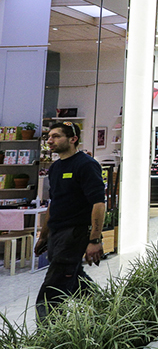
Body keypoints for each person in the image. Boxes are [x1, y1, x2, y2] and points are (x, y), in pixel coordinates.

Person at [34, 122, 105, 320]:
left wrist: (94, 240)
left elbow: (98, 204)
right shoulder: (55, 168)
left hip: (74, 234)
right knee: (76, 281)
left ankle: (49, 339)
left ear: (73, 139)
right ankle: (107, 312)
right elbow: (54, 203)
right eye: (49, 136)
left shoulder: (86, 165)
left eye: (56, 136)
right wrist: (44, 235)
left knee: (50, 294)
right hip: (57, 234)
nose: (50, 140)